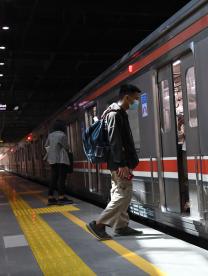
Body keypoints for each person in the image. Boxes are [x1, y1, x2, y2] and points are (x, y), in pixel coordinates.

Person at [86, 84, 143, 240]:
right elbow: (115, 141)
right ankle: (98, 224)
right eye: (135, 99)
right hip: (119, 164)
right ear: (127, 97)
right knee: (123, 194)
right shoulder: (115, 114)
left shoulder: (119, 113)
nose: (136, 102)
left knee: (119, 193)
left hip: (119, 162)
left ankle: (121, 226)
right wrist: (121, 164)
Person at [44, 120, 74, 205]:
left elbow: (46, 146)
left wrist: (52, 152)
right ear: (62, 127)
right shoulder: (62, 135)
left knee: (53, 178)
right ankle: (61, 197)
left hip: (52, 160)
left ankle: (50, 198)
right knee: (62, 178)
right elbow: (66, 147)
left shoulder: (50, 135)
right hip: (61, 159)